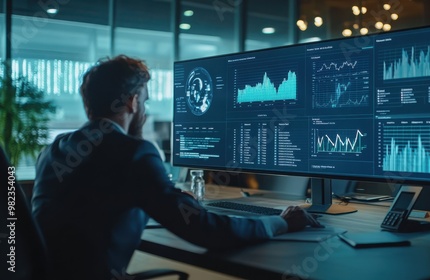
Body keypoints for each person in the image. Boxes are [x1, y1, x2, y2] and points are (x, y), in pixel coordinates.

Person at [31, 55, 321, 280]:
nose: (145, 109)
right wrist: (281, 222)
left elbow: (99, 200)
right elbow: (205, 230)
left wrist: (170, 197)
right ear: (132, 102)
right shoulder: (133, 153)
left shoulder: (52, 151)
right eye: (144, 101)